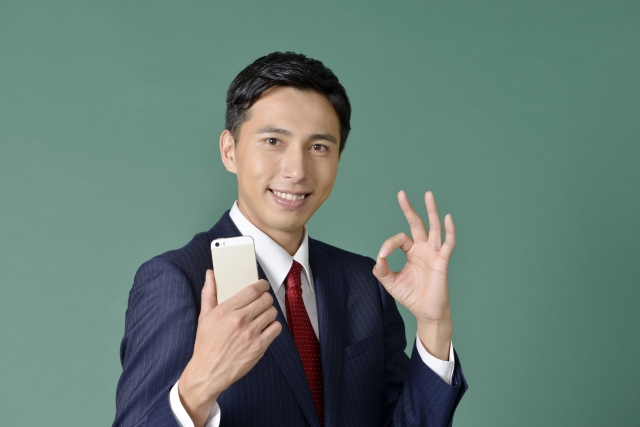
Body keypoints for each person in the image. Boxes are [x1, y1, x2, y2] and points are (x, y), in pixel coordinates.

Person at [113, 52, 467, 427]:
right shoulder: (176, 280)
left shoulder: (366, 284)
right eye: (273, 141)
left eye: (318, 147)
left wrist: (434, 327)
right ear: (229, 150)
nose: (297, 171)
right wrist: (199, 387)